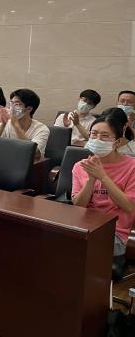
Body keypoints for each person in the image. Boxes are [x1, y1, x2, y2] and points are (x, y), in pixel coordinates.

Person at [72, 110, 135, 272]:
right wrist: (91, 180)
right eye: (93, 134)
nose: (97, 139)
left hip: (114, 232)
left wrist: (103, 177)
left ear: (117, 142)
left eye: (105, 136)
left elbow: (129, 207)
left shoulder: (132, 167)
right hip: (83, 226)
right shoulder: (80, 166)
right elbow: (78, 206)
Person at [0, 88, 50, 160]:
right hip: (6, 160)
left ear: (29, 109)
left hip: (28, 164)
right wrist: (3, 124)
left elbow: (34, 153)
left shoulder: (42, 129)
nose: (12, 108)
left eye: (17, 104)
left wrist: (16, 126)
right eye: (11, 103)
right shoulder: (6, 123)